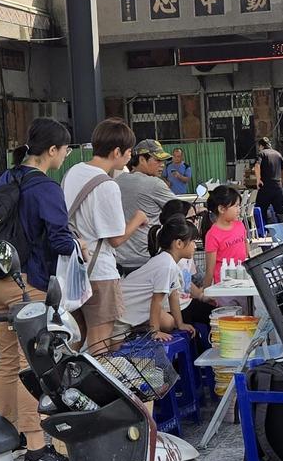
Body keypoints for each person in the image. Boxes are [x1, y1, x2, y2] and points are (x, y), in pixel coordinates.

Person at [0, 118, 77, 461]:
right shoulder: (46, 187)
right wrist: (77, 245)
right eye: (64, 149)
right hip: (25, 282)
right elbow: (59, 239)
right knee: (30, 365)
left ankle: (9, 438)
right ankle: (36, 449)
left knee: (7, 361)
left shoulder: (5, 178)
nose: (65, 155)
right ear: (52, 150)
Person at [64, 118, 147, 354]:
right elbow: (116, 239)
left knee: (74, 339)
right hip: (99, 271)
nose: (129, 157)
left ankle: (65, 377)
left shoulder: (73, 172)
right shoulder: (107, 185)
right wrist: (138, 219)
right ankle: (94, 379)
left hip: (73, 269)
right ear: (117, 152)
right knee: (100, 344)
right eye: (129, 152)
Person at [116, 218, 199, 340]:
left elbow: (173, 295)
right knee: (113, 349)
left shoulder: (169, 262)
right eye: (193, 241)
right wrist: (155, 332)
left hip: (134, 308)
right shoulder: (166, 265)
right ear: (179, 244)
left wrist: (180, 324)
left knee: (169, 323)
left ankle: (139, 329)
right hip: (124, 310)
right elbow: (157, 301)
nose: (195, 246)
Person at [114, 139, 177, 276]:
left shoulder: (116, 182)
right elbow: (180, 209)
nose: (162, 165)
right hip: (146, 259)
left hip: (117, 259)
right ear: (142, 159)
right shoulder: (154, 184)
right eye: (157, 160)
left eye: (163, 161)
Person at [200, 184, 248, 285]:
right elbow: (210, 270)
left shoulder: (240, 225)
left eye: (239, 206)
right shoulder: (212, 235)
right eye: (236, 206)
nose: (239, 209)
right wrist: (206, 290)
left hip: (242, 278)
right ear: (221, 209)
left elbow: (245, 247)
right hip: (224, 284)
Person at [255, 137, 283, 222]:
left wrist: (258, 179)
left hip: (265, 186)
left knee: (261, 209)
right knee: (280, 211)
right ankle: (282, 226)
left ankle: (263, 228)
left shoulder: (261, 154)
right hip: (277, 186)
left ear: (261, 146)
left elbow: (257, 165)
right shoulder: (278, 154)